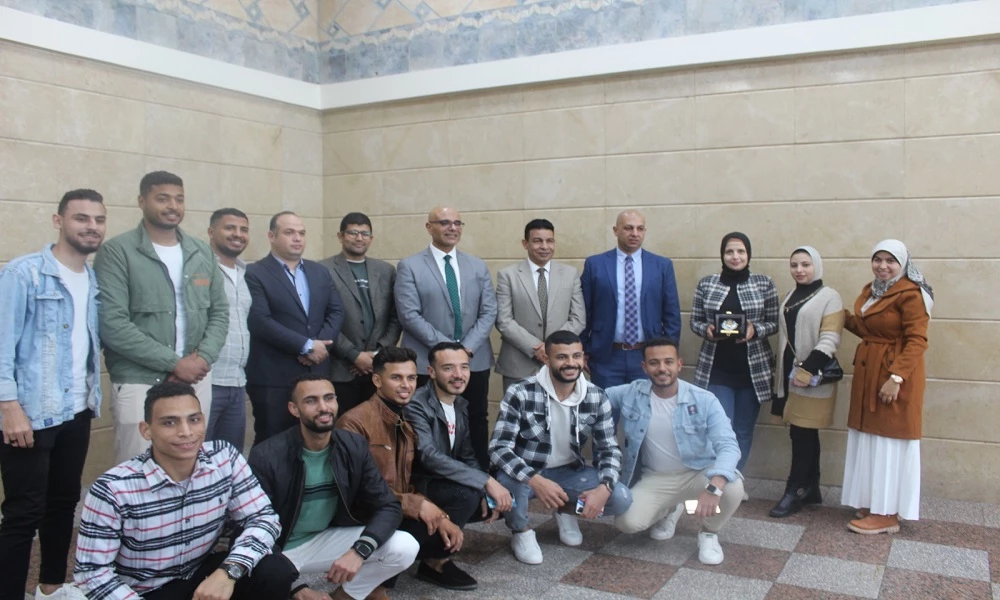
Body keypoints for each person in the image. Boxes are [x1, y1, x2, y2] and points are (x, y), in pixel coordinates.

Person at [73, 382, 297, 600]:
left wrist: (229, 572)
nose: (186, 432)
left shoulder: (224, 458)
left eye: (194, 419)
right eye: (169, 423)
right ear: (146, 430)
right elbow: (92, 573)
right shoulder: (113, 489)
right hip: (146, 591)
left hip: (201, 576)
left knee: (274, 570)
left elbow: (263, 518)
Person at [0, 189, 106, 600]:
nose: (91, 227)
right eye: (81, 218)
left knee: (63, 504)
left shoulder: (92, 280)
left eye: (98, 219)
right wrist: (8, 407)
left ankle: (51, 588)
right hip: (31, 413)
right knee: (23, 513)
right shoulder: (23, 274)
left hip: (77, 409)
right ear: (58, 221)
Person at [95, 171, 228, 464]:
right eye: (163, 199)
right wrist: (175, 364)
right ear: (142, 201)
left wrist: (202, 359)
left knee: (189, 461)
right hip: (139, 379)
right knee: (138, 467)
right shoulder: (118, 252)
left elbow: (220, 312)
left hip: (196, 377)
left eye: (179, 199)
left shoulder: (200, 251)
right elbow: (113, 324)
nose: (173, 206)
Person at [248, 373, 419, 600]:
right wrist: (297, 587)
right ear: (294, 409)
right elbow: (250, 526)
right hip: (278, 548)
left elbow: (388, 505)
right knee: (267, 575)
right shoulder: (267, 455)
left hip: (323, 539)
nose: (323, 407)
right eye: (311, 401)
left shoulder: (353, 445)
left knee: (404, 546)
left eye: (329, 398)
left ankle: (344, 597)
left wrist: (358, 551)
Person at [336, 347, 479, 591]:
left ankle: (426, 564)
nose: (406, 385)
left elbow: (405, 482)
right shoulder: (354, 423)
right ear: (377, 380)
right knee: (420, 528)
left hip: (394, 508)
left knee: (458, 506)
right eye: (396, 377)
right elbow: (358, 493)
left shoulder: (402, 419)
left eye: (411, 378)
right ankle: (372, 586)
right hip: (366, 516)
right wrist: (418, 505)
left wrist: (438, 515)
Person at [489, 330, 632, 565]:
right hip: (525, 472)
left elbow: (609, 449)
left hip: (569, 472)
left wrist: (604, 487)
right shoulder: (521, 392)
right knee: (510, 489)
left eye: (576, 356)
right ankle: (521, 531)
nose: (571, 363)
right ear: (546, 359)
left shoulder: (596, 396)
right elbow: (498, 448)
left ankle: (566, 510)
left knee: (621, 498)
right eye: (562, 357)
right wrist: (535, 480)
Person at [607, 338, 743, 566]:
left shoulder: (704, 399)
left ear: (679, 364)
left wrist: (714, 487)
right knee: (627, 523)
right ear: (644, 367)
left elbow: (728, 445)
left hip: (698, 473)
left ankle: (709, 533)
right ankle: (671, 508)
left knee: (732, 488)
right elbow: (592, 395)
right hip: (655, 477)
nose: (662, 368)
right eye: (654, 363)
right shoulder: (631, 393)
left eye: (668, 362)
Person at [394, 207, 497, 470]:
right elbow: (409, 315)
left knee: (476, 418)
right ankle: (429, 477)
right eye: (444, 222)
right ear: (429, 227)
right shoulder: (410, 266)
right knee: (428, 422)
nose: (452, 228)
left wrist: (466, 348)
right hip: (427, 362)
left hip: (473, 359)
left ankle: (480, 478)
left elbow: (489, 311)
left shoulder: (477, 265)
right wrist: (447, 350)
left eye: (457, 223)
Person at [841, 240, 932, 535]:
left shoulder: (911, 294)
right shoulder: (873, 290)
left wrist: (896, 378)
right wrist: (842, 317)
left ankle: (887, 514)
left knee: (889, 441)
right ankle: (874, 503)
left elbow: (917, 340)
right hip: (870, 374)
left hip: (894, 378)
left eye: (890, 260)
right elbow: (871, 330)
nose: (882, 266)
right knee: (872, 439)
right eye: (877, 259)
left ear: (902, 263)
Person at [246, 211, 345, 445]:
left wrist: (320, 346)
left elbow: (336, 311)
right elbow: (260, 320)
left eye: (301, 233)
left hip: (317, 372)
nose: (297, 238)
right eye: (289, 232)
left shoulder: (319, 271)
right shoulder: (254, 273)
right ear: (272, 236)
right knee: (273, 442)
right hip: (274, 375)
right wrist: (305, 346)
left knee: (315, 441)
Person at [690, 232, 778, 486]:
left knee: (743, 429)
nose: (735, 257)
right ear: (722, 255)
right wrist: (706, 330)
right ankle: (713, 481)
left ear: (748, 254)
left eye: (741, 251)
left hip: (752, 371)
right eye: (729, 252)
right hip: (717, 368)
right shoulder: (707, 284)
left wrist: (755, 330)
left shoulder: (764, 283)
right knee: (719, 428)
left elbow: (774, 322)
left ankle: (733, 483)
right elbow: (695, 320)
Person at [405, 343, 514, 531]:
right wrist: (484, 481)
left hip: (444, 477)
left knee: (501, 498)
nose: (458, 374)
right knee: (468, 496)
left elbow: (467, 455)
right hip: (419, 482)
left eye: (464, 367)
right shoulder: (417, 405)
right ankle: (432, 547)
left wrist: (484, 487)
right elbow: (428, 456)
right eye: (448, 368)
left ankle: (441, 539)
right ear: (431, 372)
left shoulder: (460, 404)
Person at [769, 247, 844, 518]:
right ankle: (811, 488)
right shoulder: (790, 295)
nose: (799, 270)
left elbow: (830, 338)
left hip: (811, 378)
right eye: (794, 265)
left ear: (817, 266)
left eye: (805, 264)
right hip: (788, 377)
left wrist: (807, 369)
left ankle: (793, 491)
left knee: (803, 433)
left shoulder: (830, 297)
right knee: (802, 433)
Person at [581, 209, 681, 388]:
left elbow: (671, 314)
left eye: (640, 228)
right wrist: (582, 350)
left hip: (648, 355)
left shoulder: (662, 266)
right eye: (628, 228)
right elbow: (584, 311)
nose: (635, 233)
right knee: (607, 404)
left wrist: (668, 354)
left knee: (645, 405)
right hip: (606, 356)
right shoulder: (595, 264)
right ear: (616, 230)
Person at [319, 212, 401, 416]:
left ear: (371, 238)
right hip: (340, 369)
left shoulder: (386, 270)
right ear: (340, 236)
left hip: (377, 369)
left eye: (364, 234)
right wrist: (353, 355)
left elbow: (395, 316)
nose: (359, 238)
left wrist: (376, 355)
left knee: (376, 427)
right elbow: (322, 318)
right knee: (342, 426)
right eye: (353, 233)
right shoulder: (322, 269)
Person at [495, 219, 585, 391]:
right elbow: (503, 321)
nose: (544, 246)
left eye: (549, 241)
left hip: (561, 363)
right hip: (519, 363)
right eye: (537, 241)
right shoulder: (508, 275)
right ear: (525, 243)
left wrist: (552, 347)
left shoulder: (570, 274)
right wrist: (535, 348)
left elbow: (578, 318)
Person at [206, 208, 251, 452]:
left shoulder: (245, 273)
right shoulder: (201, 269)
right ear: (211, 232)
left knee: (229, 458)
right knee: (197, 456)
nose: (238, 234)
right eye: (230, 228)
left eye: (243, 229)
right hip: (206, 380)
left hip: (237, 381)